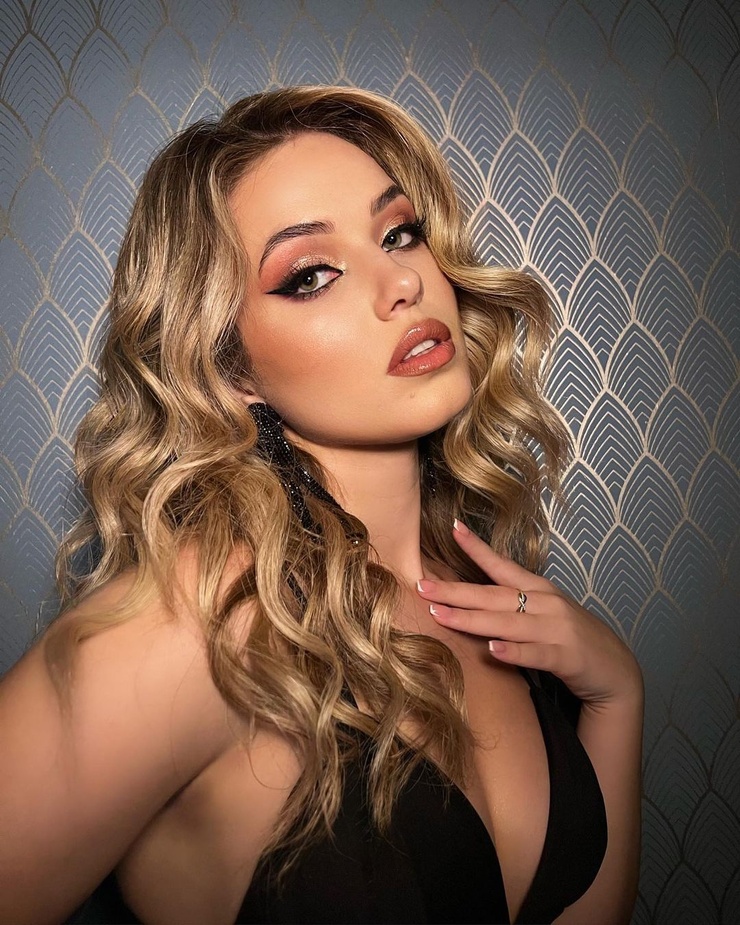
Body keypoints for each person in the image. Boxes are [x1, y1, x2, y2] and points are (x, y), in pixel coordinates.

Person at [0, 86, 643, 925]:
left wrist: (616, 698)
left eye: (399, 232)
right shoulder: (198, 625)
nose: (403, 281)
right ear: (230, 369)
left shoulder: (485, 594)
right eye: (311, 275)